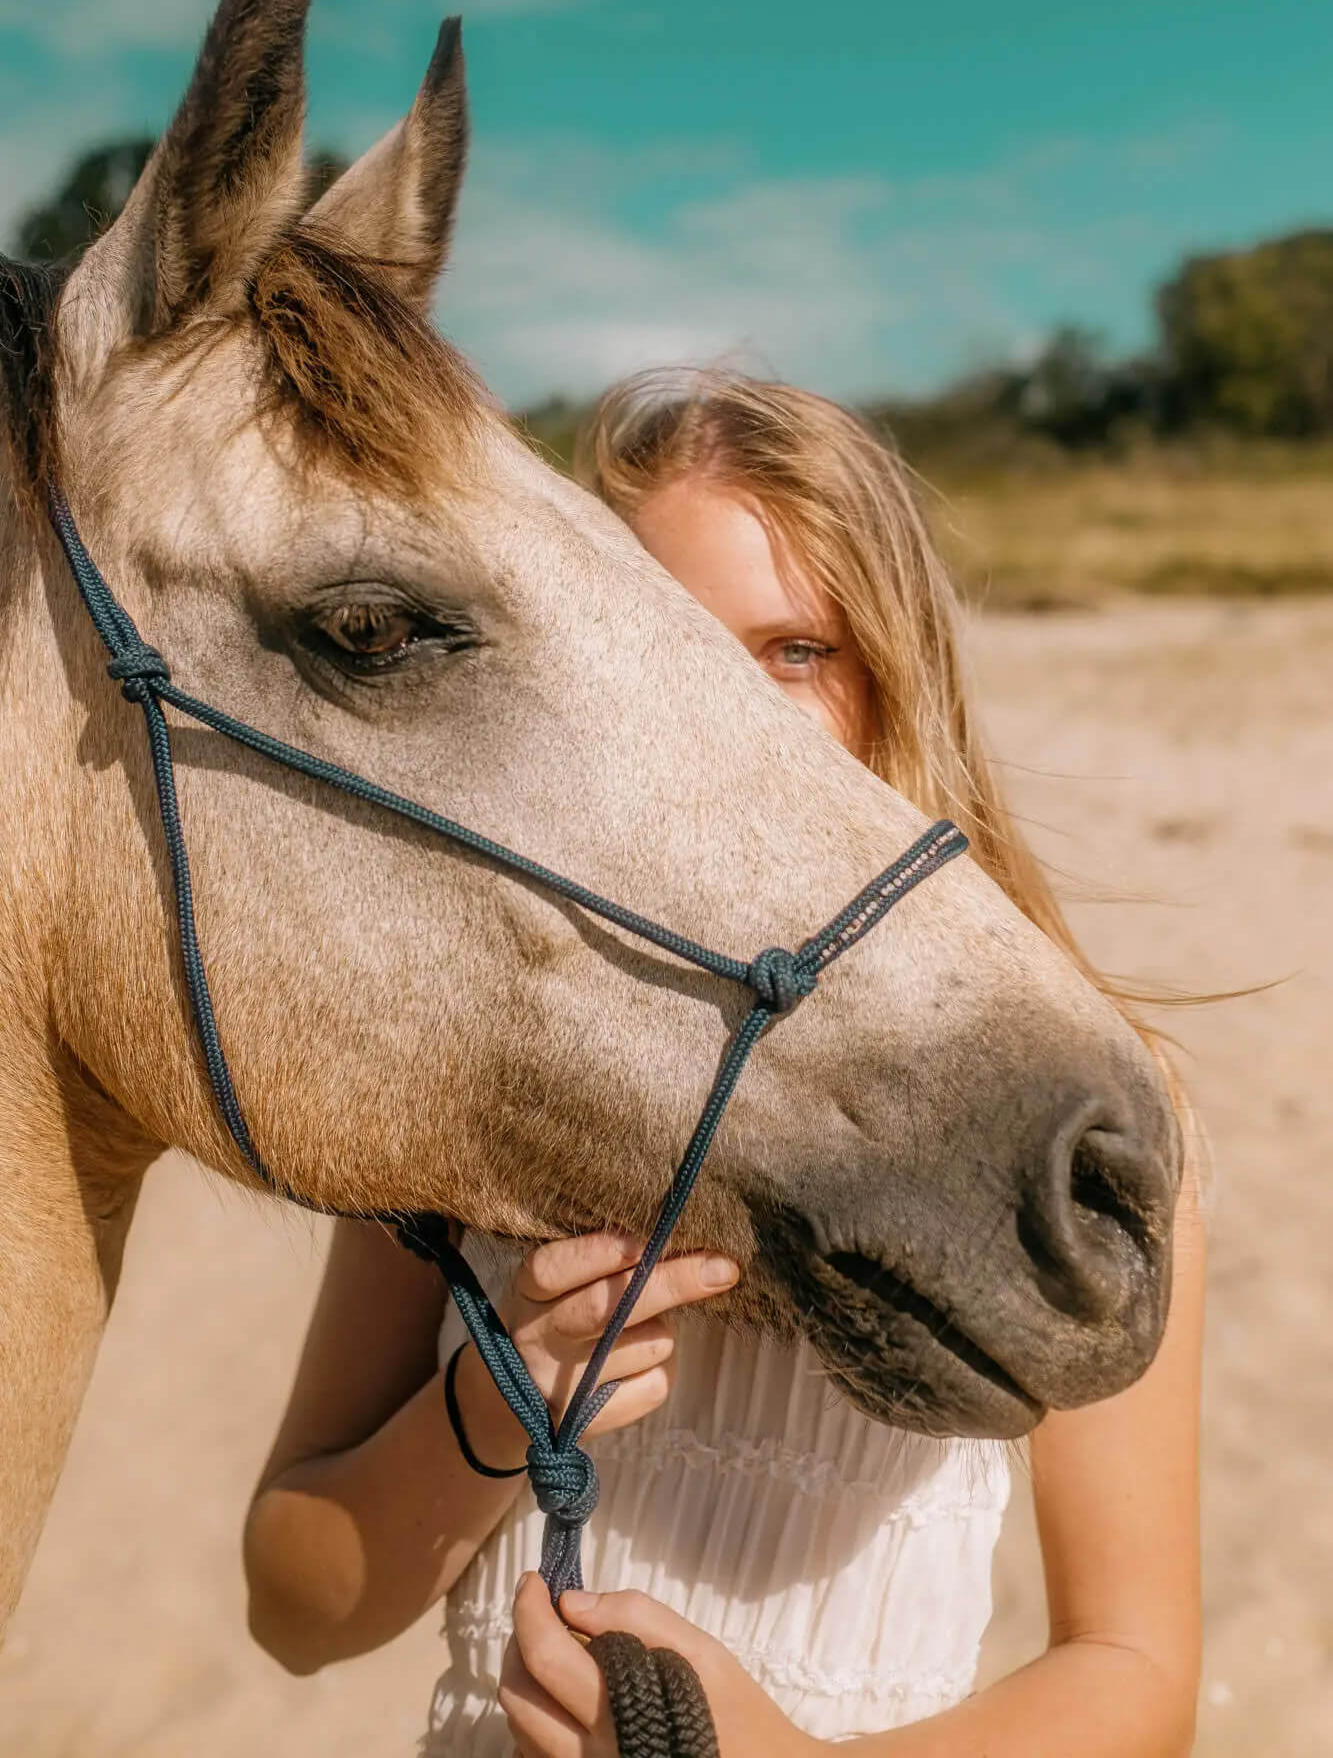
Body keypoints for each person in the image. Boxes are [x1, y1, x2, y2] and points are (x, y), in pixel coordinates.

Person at [245, 372, 1203, 1756]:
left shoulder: (1058, 1109)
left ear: (894, 669)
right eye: (676, 653)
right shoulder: (482, 1089)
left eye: (794, 651)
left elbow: (1133, 1667)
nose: (732, 720)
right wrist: (493, 1403)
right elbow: (297, 1610)